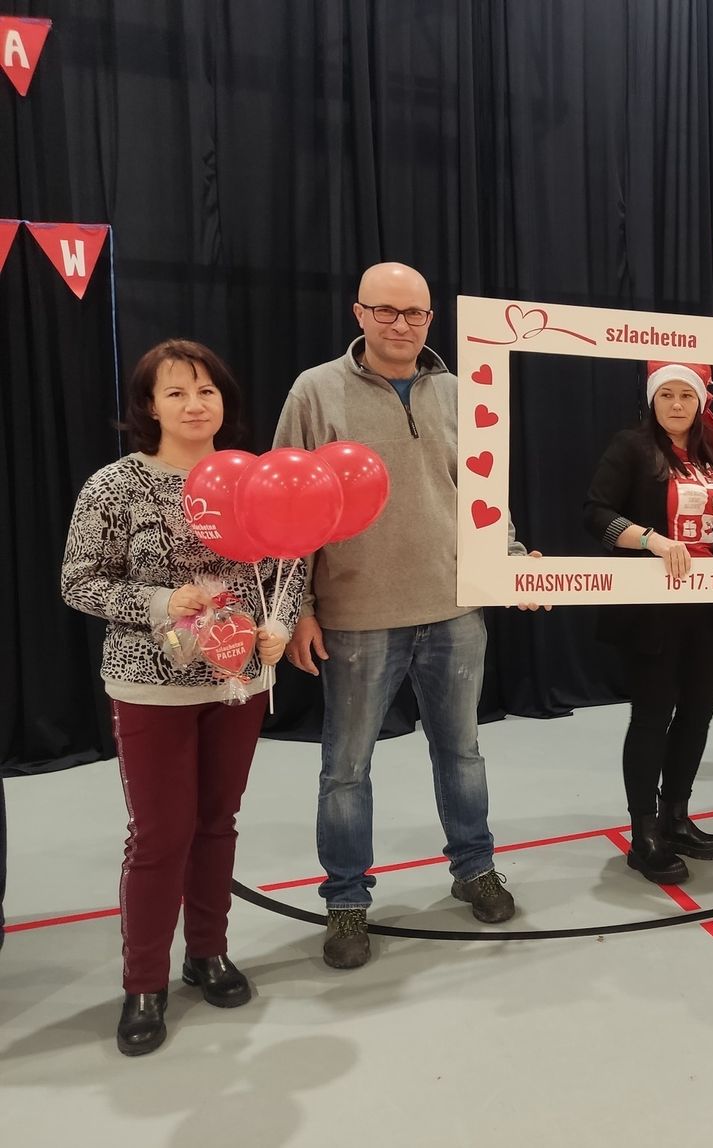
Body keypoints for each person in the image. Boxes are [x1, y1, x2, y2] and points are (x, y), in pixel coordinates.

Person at [274, 262, 535, 970]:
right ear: (358, 313)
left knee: (462, 752)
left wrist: (512, 561)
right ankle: (346, 901)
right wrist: (298, 608)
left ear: (430, 319)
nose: (401, 325)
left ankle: (475, 868)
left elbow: (485, 492)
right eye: (385, 311)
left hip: (455, 610)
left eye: (414, 313)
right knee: (346, 768)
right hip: (357, 615)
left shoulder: (461, 393)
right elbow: (285, 508)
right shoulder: (314, 391)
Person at [61, 339, 296, 1056]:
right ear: (149, 406)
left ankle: (208, 953)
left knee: (218, 822)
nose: (195, 405)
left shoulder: (254, 479)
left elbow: (291, 560)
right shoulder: (116, 486)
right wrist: (163, 602)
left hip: (238, 682)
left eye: (207, 391)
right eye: (176, 393)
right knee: (161, 835)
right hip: (150, 686)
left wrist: (282, 622)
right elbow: (79, 582)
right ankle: (143, 983)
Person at [583, 361, 713, 884]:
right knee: (652, 715)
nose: (677, 404)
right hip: (651, 610)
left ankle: (676, 818)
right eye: (667, 395)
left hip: (708, 610)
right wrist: (652, 540)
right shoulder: (631, 447)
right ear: (652, 401)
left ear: (701, 402)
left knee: (698, 713)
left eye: (687, 394)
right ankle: (643, 834)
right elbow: (595, 513)